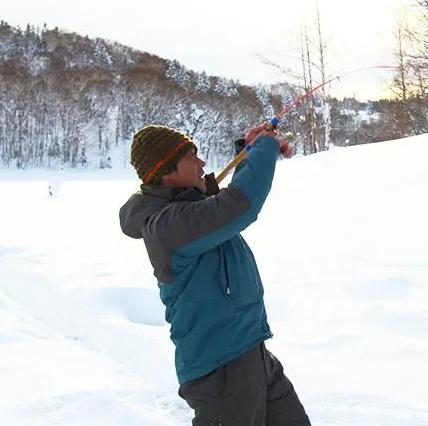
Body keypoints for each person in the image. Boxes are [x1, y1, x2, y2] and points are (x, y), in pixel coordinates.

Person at [119, 124, 310, 425]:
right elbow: (240, 205)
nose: (202, 163)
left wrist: (247, 151)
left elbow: (223, 207)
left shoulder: (189, 210)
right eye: (191, 156)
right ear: (167, 172)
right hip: (219, 368)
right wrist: (263, 149)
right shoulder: (167, 226)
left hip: (251, 352)